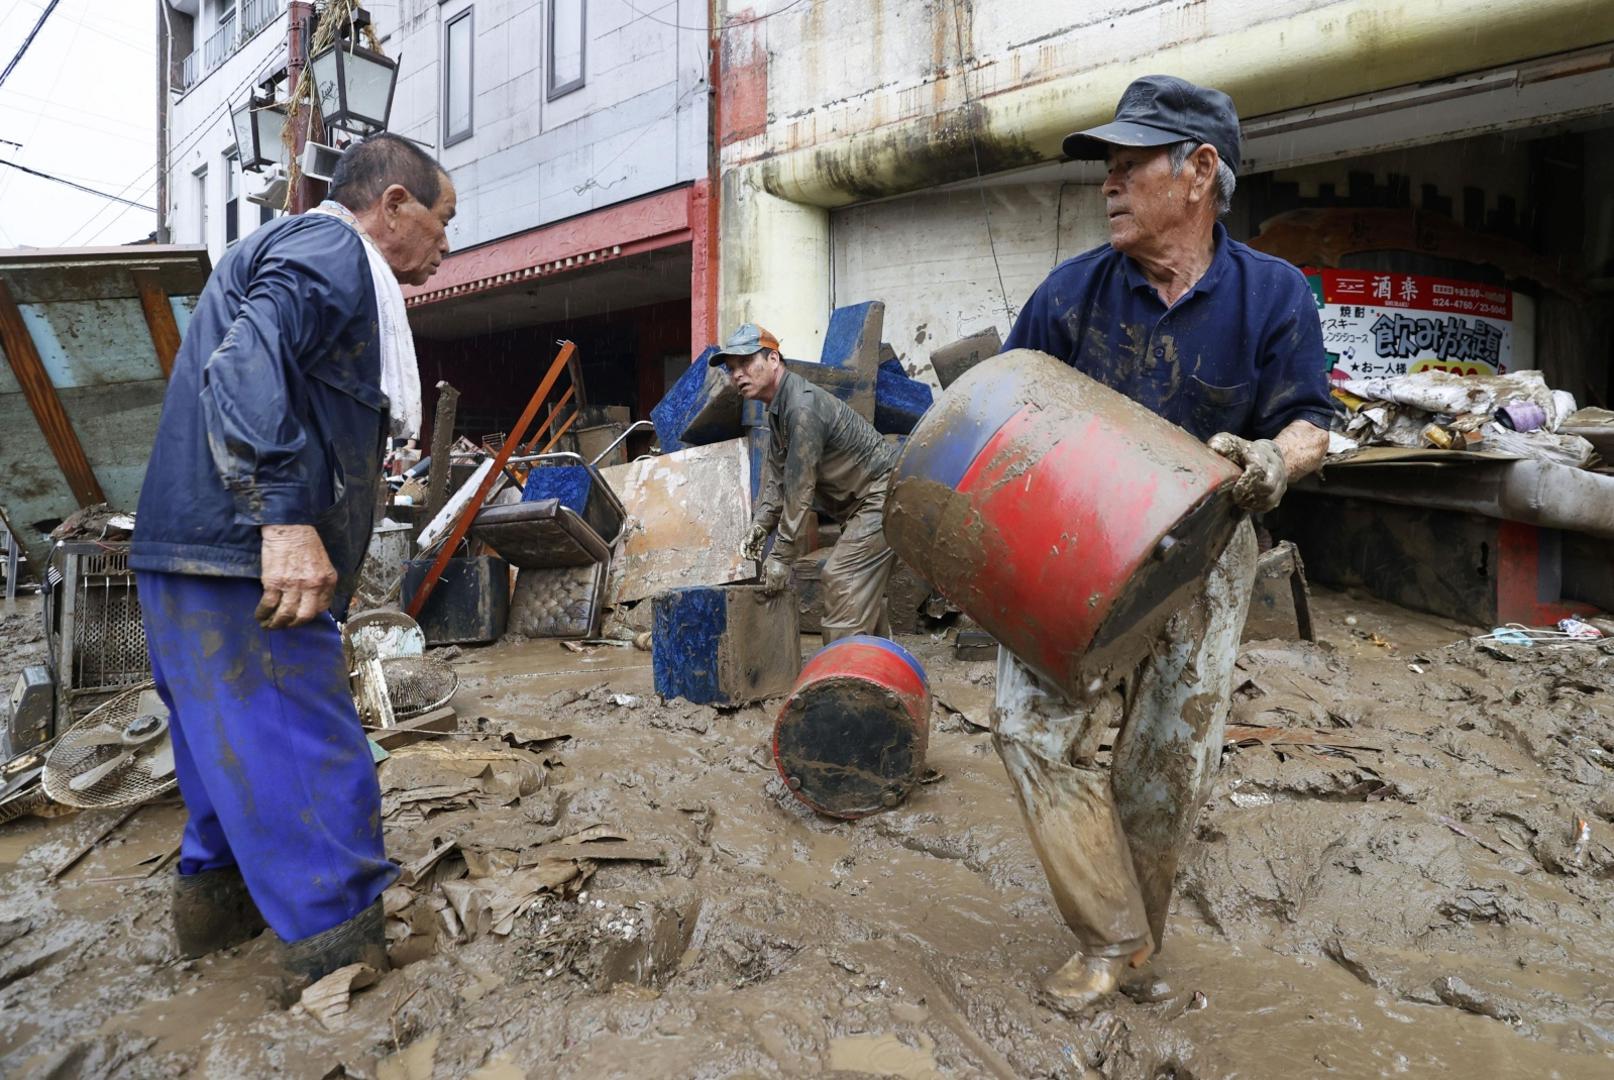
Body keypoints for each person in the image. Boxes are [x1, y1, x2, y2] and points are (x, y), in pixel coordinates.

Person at [995, 75, 1333, 1010]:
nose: (1110, 181)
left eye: (1130, 162)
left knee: (1166, 763)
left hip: (1208, 547)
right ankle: (1108, 935)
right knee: (1030, 729)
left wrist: (1274, 458)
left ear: (1200, 171)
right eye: (1106, 165)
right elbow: (1006, 413)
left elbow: (1312, 419)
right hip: (1078, 539)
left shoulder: (1274, 294)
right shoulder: (1068, 296)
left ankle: (1132, 948)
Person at [129, 134, 454, 984]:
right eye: (442, 219)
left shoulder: (290, 250)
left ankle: (217, 928)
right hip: (241, 556)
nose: (446, 245)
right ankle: (339, 968)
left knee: (220, 754)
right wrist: (284, 519)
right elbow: (244, 364)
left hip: (186, 553)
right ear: (393, 207)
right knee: (308, 753)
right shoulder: (331, 248)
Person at [712, 324, 900, 642]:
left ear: (773, 359)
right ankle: (884, 669)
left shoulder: (801, 408)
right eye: (731, 369)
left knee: (841, 578)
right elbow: (776, 482)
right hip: (862, 507)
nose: (737, 375)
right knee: (863, 595)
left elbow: (800, 488)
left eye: (744, 363)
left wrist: (781, 556)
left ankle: (841, 679)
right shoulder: (778, 410)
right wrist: (758, 531)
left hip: (883, 497)